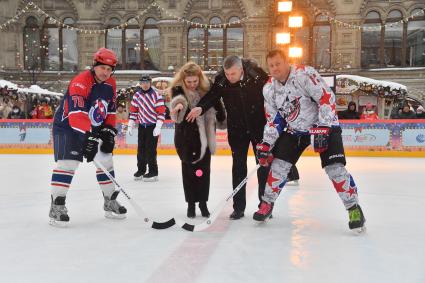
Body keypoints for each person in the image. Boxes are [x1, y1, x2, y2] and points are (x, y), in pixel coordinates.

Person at [253, 49, 365, 233]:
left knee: (335, 168)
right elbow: (274, 119)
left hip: (323, 125)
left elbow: (326, 98)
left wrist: (324, 127)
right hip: (295, 130)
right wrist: (267, 143)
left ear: (287, 61)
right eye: (271, 65)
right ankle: (267, 203)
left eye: (278, 63)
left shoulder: (304, 75)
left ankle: (354, 209)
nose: (275, 68)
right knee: (278, 166)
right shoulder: (269, 89)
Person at [49, 47, 127, 226]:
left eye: (109, 69)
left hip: (92, 127)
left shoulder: (111, 84)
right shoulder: (80, 82)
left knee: (106, 160)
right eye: (102, 68)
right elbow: (77, 115)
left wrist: (108, 130)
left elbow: (110, 110)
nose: (106, 72)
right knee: (68, 164)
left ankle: (109, 201)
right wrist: (90, 138)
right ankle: (56, 206)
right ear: (94, 66)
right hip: (68, 126)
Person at [186, 55, 270, 220]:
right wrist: (200, 108)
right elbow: (212, 96)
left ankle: (265, 205)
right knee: (238, 167)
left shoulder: (257, 76)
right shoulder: (222, 80)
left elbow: (273, 94)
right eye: (227, 73)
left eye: (233, 74)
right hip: (237, 130)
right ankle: (238, 208)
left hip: (259, 128)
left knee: (262, 167)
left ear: (241, 69)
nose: (229, 77)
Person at [169, 62, 226, 218]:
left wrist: (221, 117)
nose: (192, 85)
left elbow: (216, 102)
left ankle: (202, 203)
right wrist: (178, 107)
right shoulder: (178, 89)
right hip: (187, 139)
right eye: (189, 82)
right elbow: (178, 100)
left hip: (205, 139)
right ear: (183, 80)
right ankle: (191, 204)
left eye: (195, 81)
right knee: (188, 173)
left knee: (203, 173)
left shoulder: (207, 90)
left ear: (200, 79)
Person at [127, 75, 165, 182]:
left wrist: (158, 126)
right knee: (141, 149)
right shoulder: (137, 95)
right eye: (143, 83)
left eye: (147, 82)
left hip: (152, 126)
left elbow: (161, 112)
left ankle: (153, 171)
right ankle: (141, 170)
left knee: (150, 150)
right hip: (142, 126)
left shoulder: (156, 95)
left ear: (150, 83)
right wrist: (130, 124)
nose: (145, 85)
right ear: (140, 83)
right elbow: (134, 111)